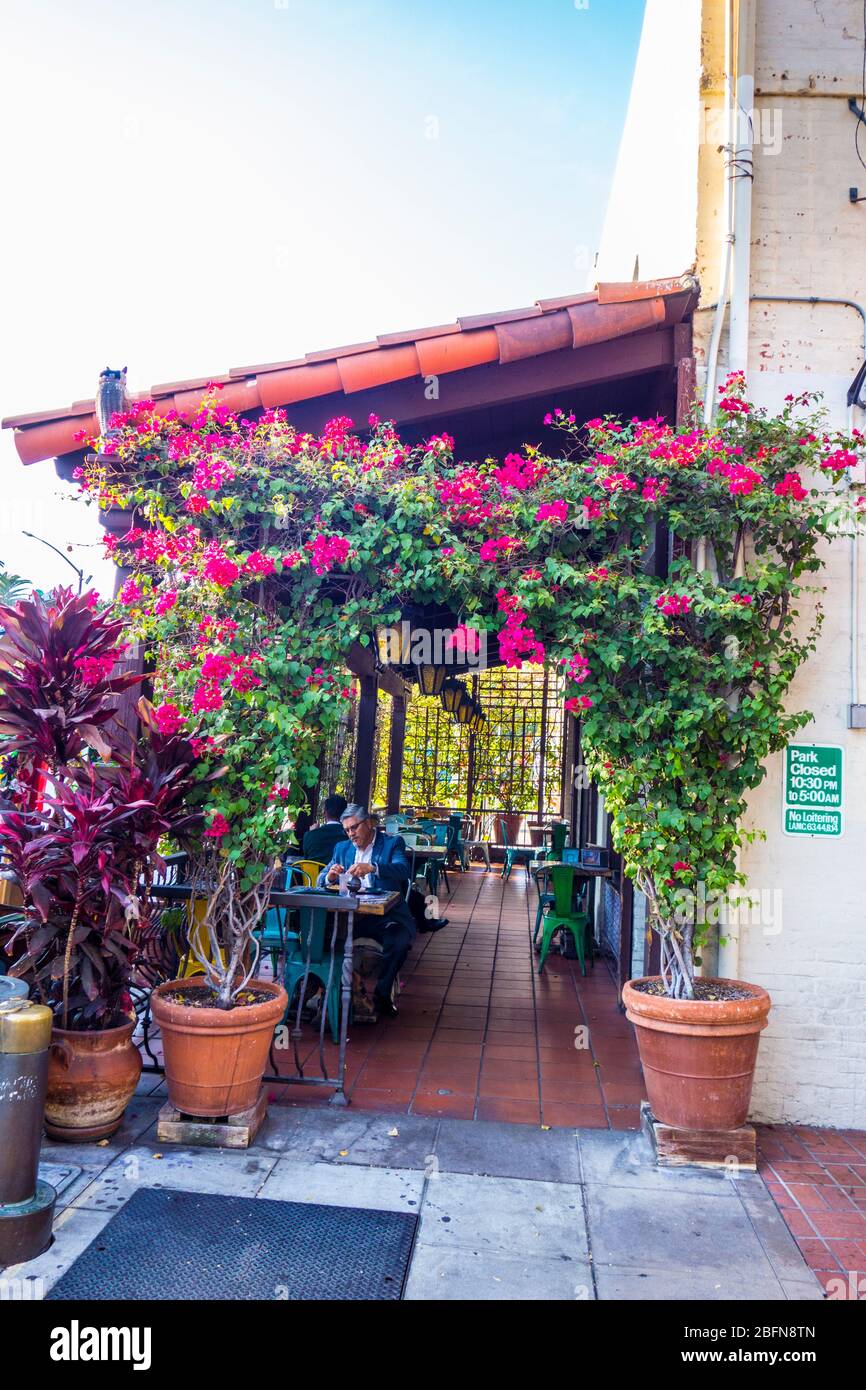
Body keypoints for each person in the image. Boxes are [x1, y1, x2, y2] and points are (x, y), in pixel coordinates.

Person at [317, 805, 445, 1016]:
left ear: (368, 823)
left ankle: (382, 993)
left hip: (386, 915)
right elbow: (322, 877)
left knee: (400, 941)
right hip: (350, 917)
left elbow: (403, 870)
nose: (351, 834)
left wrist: (373, 867)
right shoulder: (342, 849)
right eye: (347, 830)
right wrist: (330, 876)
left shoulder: (391, 843)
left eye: (354, 828)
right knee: (321, 933)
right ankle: (331, 994)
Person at [301, 794, 348, 863]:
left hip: (312, 874)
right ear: (344, 814)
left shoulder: (309, 835)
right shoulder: (348, 836)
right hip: (339, 873)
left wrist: (312, 833)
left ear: (324, 812)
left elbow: (306, 859)